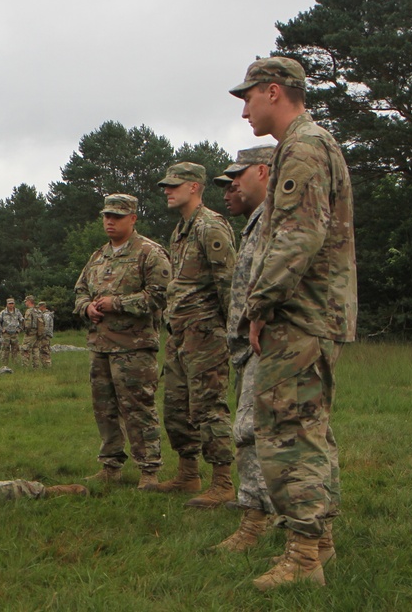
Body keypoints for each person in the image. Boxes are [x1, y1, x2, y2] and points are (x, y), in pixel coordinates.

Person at [230, 56, 356, 590]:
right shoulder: (309, 145)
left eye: (248, 99)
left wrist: (259, 306)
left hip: (298, 315)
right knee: (310, 429)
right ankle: (319, 541)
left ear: (274, 91)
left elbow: (298, 237)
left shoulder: (303, 147)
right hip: (311, 312)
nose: (245, 113)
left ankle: (303, 558)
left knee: (288, 435)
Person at [145, 162, 237, 509]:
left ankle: (223, 482)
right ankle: (187, 473)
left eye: (174, 185)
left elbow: (228, 282)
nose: (167, 190)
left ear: (195, 187)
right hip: (180, 333)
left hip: (206, 333)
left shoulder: (210, 226)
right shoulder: (181, 230)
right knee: (177, 408)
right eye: (165, 185)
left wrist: (232, 333)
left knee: (208, 407)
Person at [74, 194, 170, 488]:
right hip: (100, 346)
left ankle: (149, 470)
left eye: (117, 216)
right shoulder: (98, 256)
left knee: (138, 409)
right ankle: (110, 467)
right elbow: (79, 291)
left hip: (134, 347)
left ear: (133, 218)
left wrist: (118, 303)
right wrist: (86, 307)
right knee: (104, 409)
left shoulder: (150, 253)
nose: (110, 221)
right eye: (106, 216)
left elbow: (161, 295)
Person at [210, 146, 277, 551]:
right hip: (249, 346)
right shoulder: (256, 221)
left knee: (250, 432)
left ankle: (256, 521)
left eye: (240, 175)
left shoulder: (276, 217)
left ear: (265, 172)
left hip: (266, 344)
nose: (232, 184)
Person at [0, 298, 23, 365]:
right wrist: (1, 330)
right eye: (9, 303)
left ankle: (15, 364)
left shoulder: (17, 312)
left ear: (14, 304)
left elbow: (22, 321)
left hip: (15, 334)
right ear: (7, 304)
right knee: (5, 350)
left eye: (12, 303)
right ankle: (4, 364)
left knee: (15, 349)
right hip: (6, 334)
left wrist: (20, 329)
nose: (11, 305)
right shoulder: (3, 313)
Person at [20, 295, 43, 368]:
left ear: (29, 301)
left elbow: (28, 324)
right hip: (38, 333)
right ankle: (36, 366)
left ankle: (25, 366)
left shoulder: (29, 311)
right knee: (36, 349)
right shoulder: (38, 310)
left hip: (30, 333)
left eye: (26, 301)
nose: (25, 303)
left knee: (25, 349)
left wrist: (26, 331)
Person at [37, 302, 54, 368]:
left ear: (42, 307)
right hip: (45, 335)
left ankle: (47, 365)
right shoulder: (44, 314)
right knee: (43, 350)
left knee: (45, 350)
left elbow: (46, 327)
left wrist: (42, 335)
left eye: (39, 307)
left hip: (45, 336)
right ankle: (45, 365)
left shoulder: (46, 315)